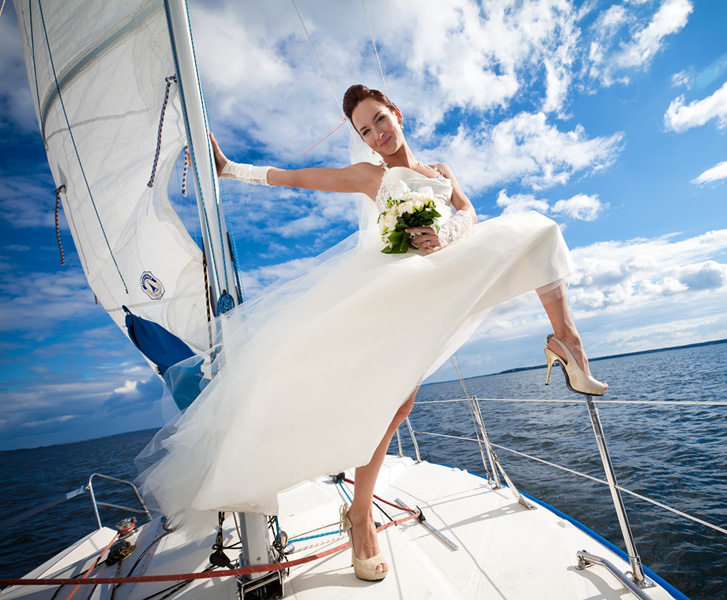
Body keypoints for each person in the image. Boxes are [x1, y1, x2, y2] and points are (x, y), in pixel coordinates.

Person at [158, 84, 607, 582]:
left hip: (449, 268)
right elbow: (300, 178)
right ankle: (360, 514)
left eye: (379, 120)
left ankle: (565, 341)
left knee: (536, 232)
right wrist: (230, 170)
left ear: (397, 112)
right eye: (364, 130)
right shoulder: (372, 176)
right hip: (402, 287)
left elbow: (468, 212)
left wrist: (448, 236)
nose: (376, 134)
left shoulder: (440, 171)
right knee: (396, 406)